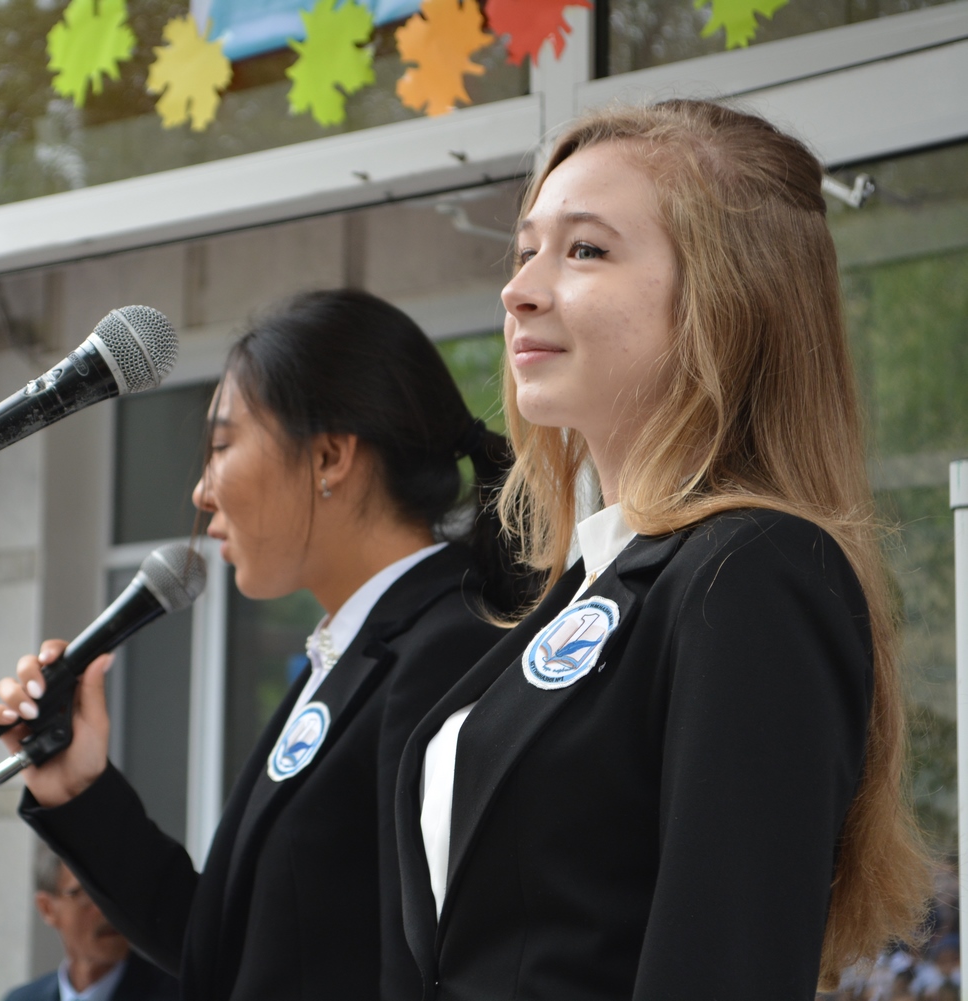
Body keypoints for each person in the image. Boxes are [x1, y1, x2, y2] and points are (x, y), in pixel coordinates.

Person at [396, 98, 932, 1001]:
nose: (518, 287)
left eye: (586, 249)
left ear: (726, 299)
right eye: (527, 248)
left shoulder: (756, 570)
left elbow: (723, 964)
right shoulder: (597, 580)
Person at [0, 289, 530, 1001]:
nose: (202, 492)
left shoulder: (446, 651)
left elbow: (433, 969)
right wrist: (80, 790)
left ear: (330, 455)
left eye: (220, 445)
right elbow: (225, 950)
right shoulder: (350, 653)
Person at [2, 843, 179, 1001]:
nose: (109, 910)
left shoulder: (179, 995)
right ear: (47, 908)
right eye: (87, 894)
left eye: (117, 892)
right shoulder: (21, 998)